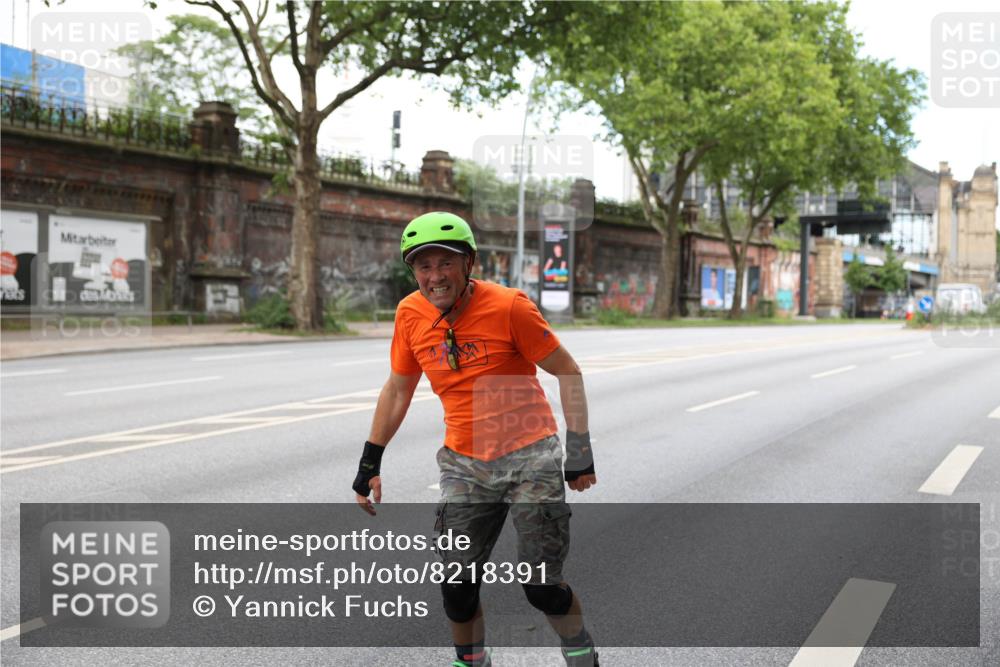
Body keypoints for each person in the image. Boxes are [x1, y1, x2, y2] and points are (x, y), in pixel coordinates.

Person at [353, 211, 599, 667]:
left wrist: (579, 452)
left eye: (445, 262)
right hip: (464, 464)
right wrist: (370, 464)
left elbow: (568, 370)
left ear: (469, 264)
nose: (435, 276)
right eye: (423, 266)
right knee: (457, 585)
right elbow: (398, 388)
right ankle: (472, 662)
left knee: (541, 585)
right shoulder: (409, 314)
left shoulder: (510, 307)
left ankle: (581, 653)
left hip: (530, 458)